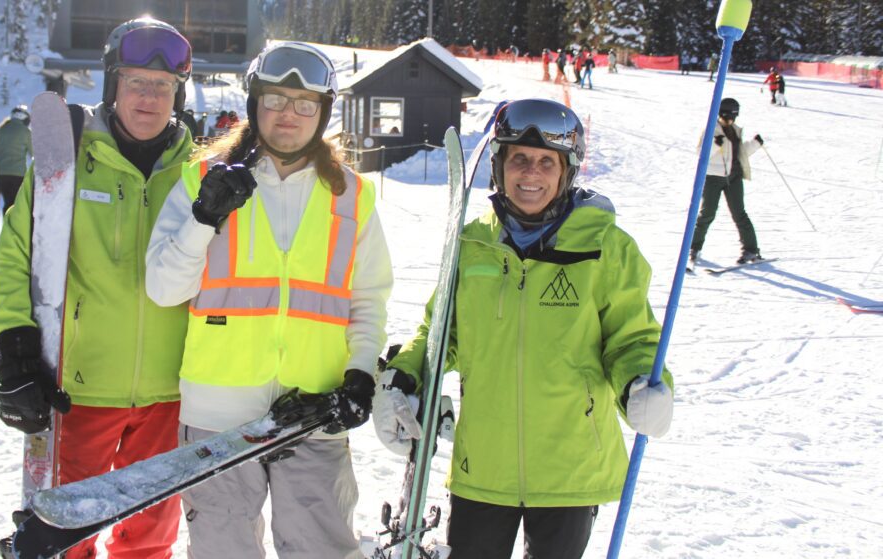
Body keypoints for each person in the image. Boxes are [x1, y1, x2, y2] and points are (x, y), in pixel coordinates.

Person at [372, 98, 674, 559]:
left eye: (545, 162)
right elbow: (440, 331)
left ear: (566, 171)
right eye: (518, 159)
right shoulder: (471, 243)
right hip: (483, 465)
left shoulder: (605, 247)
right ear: (499, 166)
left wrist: (642, 383)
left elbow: (632, 338)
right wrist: (404, 374)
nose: (530, 173)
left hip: (570, 466)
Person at [145, 41, 393, 559]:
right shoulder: (203, 178)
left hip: (314, 407)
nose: (289, 114)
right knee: (222, 551)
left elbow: (367, 298)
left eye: (305, 103)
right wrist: (202, 218)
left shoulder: (351, 194)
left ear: (324, 113)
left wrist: (360, 375)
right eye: (276, 99)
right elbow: (164, 288)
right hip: (218, 408)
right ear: (255, 102)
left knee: (321, 549)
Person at [0, 17, 196, 559]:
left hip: (169, 395)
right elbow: (16, 255)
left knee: (149, 540)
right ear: (112, 85)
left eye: (163, 86)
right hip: (79, 392)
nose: (149, 98)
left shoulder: (196, 172)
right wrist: (15, 349)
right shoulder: (70, 158)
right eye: (135, 83)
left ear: (178, 93)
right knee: (67, 536)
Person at [690, 97, 766, 266]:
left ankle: (751, 249)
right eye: (726, 117)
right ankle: (694, 248)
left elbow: (739, 153)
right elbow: (702, 154)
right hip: (713, 178)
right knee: (707, 213)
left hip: (734, 177)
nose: (729, 121)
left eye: (732, 118)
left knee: (740, 213)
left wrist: (755, 144)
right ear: (720, 114)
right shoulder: (711, 130)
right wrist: (715, 145)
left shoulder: (735, 130)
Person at [0, 105, 32, 213]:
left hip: (0, 173)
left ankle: (5, 223)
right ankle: (11, 226)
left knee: (8, 201)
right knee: (14, 203)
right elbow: (34, 153)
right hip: (18, 174)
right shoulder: (26, 132)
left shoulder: (1, 129)